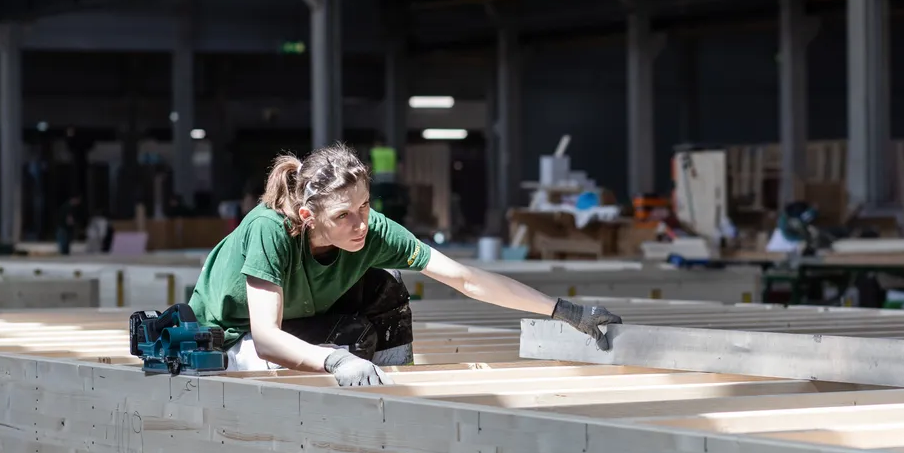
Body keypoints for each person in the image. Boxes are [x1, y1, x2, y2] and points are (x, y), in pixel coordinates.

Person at [187, 143, 622, 386]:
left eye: (364, 205)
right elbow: (266, 337)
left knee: (387, 287)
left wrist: (564, 311)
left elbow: (466, 280)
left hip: (303, 325)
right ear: (308, 217)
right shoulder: (270, 230)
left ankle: (394, 390)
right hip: (229, 342)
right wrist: (335, 362)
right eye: (344, 215)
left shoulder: (369, 229)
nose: (361, 223)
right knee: (349, 341)